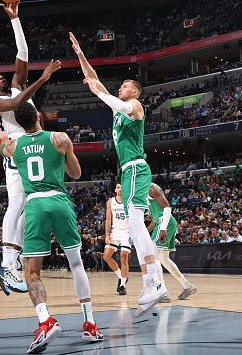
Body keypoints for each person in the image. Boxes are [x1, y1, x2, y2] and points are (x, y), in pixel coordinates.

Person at [0, 102, 103, 354]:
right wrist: (61, 158)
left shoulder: (13, 146)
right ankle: (89, 323)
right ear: (39, 117)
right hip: (59, 200)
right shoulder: (60, 138)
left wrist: (3, 136)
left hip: (34, 206)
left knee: (31, 273)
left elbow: (3, 145)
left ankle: (46, 321)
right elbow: (75, 173)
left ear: (20, 124)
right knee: (76, 264)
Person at [69, 32, 167, 308]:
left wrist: (99, 92)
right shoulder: (117, 111)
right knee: (136, 229)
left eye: (124, 85)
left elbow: (117, 101)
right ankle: (154, 278)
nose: (120, 88)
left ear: (133, 90)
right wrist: (80, 55)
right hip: (128, 171)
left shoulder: (135, 105)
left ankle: (153, 280)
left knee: (136, 225)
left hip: (136, 167)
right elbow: (97, 82)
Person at [0, 0, 62, 295]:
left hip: (33, 149)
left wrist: (15, 20)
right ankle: (5, 262)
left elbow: (23, 54)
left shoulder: (17, 82)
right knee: (16, 205)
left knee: (29, 210)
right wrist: (42, 80)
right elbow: (16, 104)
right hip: (15, 152)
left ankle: (12, 261)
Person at [146, 183, 197, 302]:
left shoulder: (152, 188)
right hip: (165, 223)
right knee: (164, 259)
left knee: (153, 259)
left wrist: (163, 228)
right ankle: (187, 286)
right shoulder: (143, 193)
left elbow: (167, 208)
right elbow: (155, 219)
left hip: (165, 223)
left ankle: (162, 293)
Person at [103, 183, 131, 296]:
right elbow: (108, 219)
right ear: (115, 190)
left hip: (127, 232)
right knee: (106, 256)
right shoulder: (110, 201)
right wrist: (107, 234)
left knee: (123, 257)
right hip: (115, 231)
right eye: (118, 187)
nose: (120, 189)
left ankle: (122, 285)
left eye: (122, 187)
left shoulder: (129, 201)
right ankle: (121, 276)